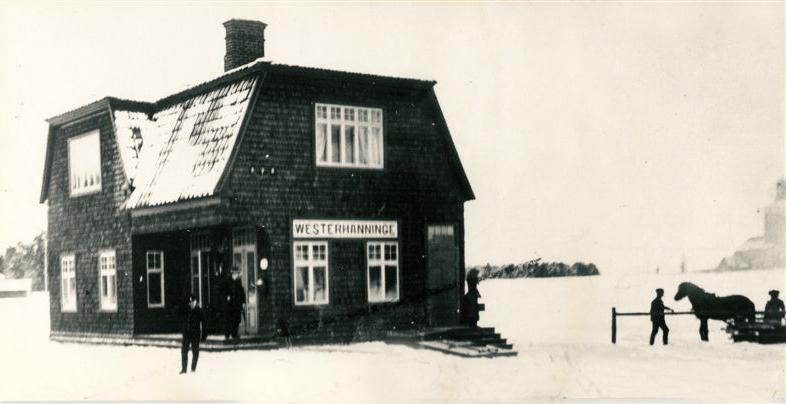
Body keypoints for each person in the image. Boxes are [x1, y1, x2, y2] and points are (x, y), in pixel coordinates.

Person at [180, 294, 203, 374]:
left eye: (192, 302)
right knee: (184, 351)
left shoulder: (199, 310)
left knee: (195, 351)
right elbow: (183, 321)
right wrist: (183, 330)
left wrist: (203, 336)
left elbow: (204, 323)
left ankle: (193, 368)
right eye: (190, 302)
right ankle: (184, 369)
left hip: (195, 335)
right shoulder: (186, 310)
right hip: (187, 334)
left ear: (195, 302)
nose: (191, 304)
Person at [224, 267, 246, 341]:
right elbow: (223, 291)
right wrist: (226, 296)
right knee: (229, 320)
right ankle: (227, 334)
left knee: (236, 320)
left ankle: (234, 334)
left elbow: (242, 293)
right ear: (232, 273)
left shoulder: (238, 282)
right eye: (235, 273)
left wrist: (243, 302)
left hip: (237, 304)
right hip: (230, 305)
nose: (236, 274)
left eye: (237, 273)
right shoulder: (227, 281)